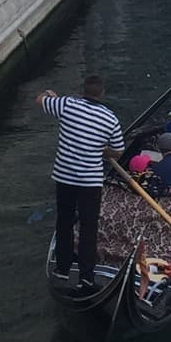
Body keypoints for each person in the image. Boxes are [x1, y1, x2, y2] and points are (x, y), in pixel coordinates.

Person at [36, 74, 123, 287]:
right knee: (88, 227)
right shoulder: (110, 118)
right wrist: (102, 153)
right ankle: (86, 276)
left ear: (82, 91)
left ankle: (63, 270)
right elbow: (118, 151)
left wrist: (49, 95)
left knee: (64, 222)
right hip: (90, 181)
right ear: (102, 94)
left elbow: (39, 100)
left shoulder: (67, 105)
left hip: (64, 177)